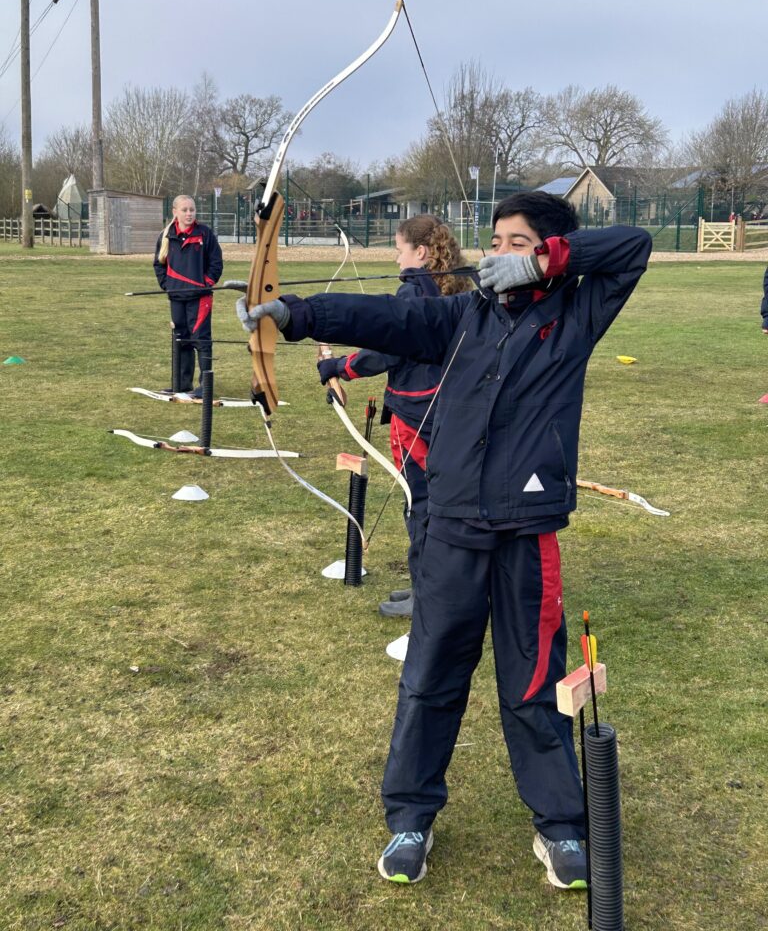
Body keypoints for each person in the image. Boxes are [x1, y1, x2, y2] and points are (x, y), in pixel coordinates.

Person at [236, 192, 652, 892]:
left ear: (551, 249)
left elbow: (633, 245)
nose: (500, 252)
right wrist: (300, 313)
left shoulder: (575, 313)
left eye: (518, 241)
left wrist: (544, 264)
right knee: (431, 673)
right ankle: (410, 817)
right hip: (455, 521)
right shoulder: (464, 314)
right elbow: (394, 316)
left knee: (534, 681)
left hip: (527, 528)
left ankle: (560, 824)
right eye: (496, 240)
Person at [316, 216, 472, 618]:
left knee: (419, 503)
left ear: (420, 253)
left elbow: (389, 347)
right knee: (431, 501)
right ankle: (426, 586)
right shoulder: (453, 287)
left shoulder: (412, 295)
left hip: (416, 412)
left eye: (400, 249)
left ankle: (430, 597)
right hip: (447, 409)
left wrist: (339, 367)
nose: (396, 257)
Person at [153, 195, 224, 397]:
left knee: (201, 340)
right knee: (180, 340)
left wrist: (206, 283)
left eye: (192, 209)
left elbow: (216, 263)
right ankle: (182, 384)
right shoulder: (166, 236)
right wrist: (167, 286)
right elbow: (159, 264)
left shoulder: (205, 234)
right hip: (176, 297)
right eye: (184, 210)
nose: (189, 213)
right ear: (175, 212)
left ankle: (205, 386)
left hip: (199, 298)